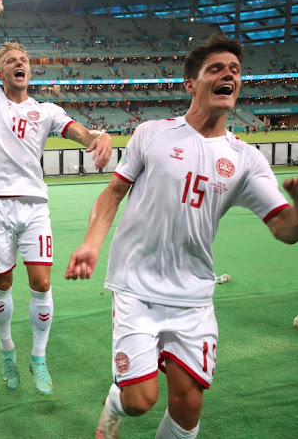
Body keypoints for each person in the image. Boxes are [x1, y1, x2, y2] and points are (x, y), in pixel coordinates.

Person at [64, 34, 298, 438]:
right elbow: (112, 194)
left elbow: (284, 228)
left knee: (189, 406)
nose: (229, 75)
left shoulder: (246, 159)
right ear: (191, 84)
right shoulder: (152, 133)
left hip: (193, 297)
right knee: (140, 400)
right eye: (216, 69)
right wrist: (91, 242)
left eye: (235, 71)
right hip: (137, 287)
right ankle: (114, 405)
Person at [0, 0, 113, 394]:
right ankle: (6, 350)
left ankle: (38, 356)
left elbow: (79, 133)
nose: (20, 64)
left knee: (41, 284)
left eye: (25, 61)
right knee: (1, 284)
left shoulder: (46, 110)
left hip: (34, 206)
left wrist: (97, 137)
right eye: (12, 61)